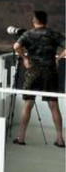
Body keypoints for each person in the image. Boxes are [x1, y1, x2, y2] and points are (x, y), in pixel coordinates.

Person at [13, 10, 66, 147]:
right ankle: (60, 139)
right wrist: (58, 59)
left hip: (33, 71)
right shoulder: (52, 34)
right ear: (46, 21)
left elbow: (16, 46)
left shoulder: (28, 34)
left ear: (34, 21)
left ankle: (21, 137)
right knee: (53, 106)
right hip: (50, 72)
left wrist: (24, 58)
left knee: (28, 104)